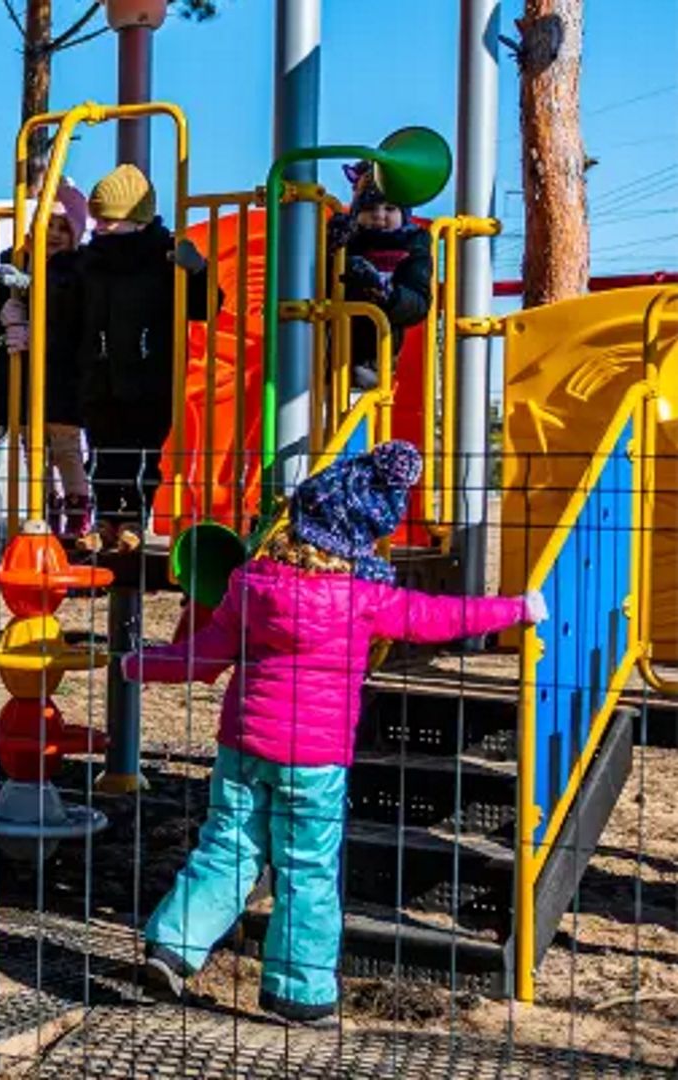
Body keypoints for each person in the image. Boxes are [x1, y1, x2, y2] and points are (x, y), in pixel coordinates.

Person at [123, 441, 546, 1025]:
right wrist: (516, 609)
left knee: (227, 846)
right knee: (307, 869)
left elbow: (200, 658)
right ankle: (300, 993)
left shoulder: (250, 584)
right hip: (314, 762)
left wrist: (134, 664)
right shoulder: (364, 600)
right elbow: (442, 618)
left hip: (242, 746)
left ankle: (173, 946)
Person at [73, 163, 218, 552]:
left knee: (141, 453)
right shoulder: (89, 262)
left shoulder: (163, 259)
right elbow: (67, 306)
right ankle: (104, 518)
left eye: (109, 220)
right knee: (102, 450)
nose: (100, 226)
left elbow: (206, 307)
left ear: (138, 220)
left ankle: (135, 518)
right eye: (98, 219)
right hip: (99, 372)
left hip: (151, 374)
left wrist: (199, 272)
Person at [0, 183, 91, 537]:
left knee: (66, 449)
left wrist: (29, 289)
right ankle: (44, 511)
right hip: (23, 380)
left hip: (62, 378)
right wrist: (3, 306)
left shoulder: (75, 270)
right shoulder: (15, 261)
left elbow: (69, 311)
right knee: (33, 452)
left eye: (62, 228)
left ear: (75, 235)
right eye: (48, 224)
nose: (53, 234)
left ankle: (77, 512)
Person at [328, 162, 433, 391]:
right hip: (327, 347)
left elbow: (419, 304)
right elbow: (316, 281)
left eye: (390, 208)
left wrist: (387, 294)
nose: (379, 215)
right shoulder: (348, 239)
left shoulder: (412, 246)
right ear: (357, 212)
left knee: (357, 400)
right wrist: (330, 245)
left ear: (404, 214)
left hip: (374, 354)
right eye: (369, 209)